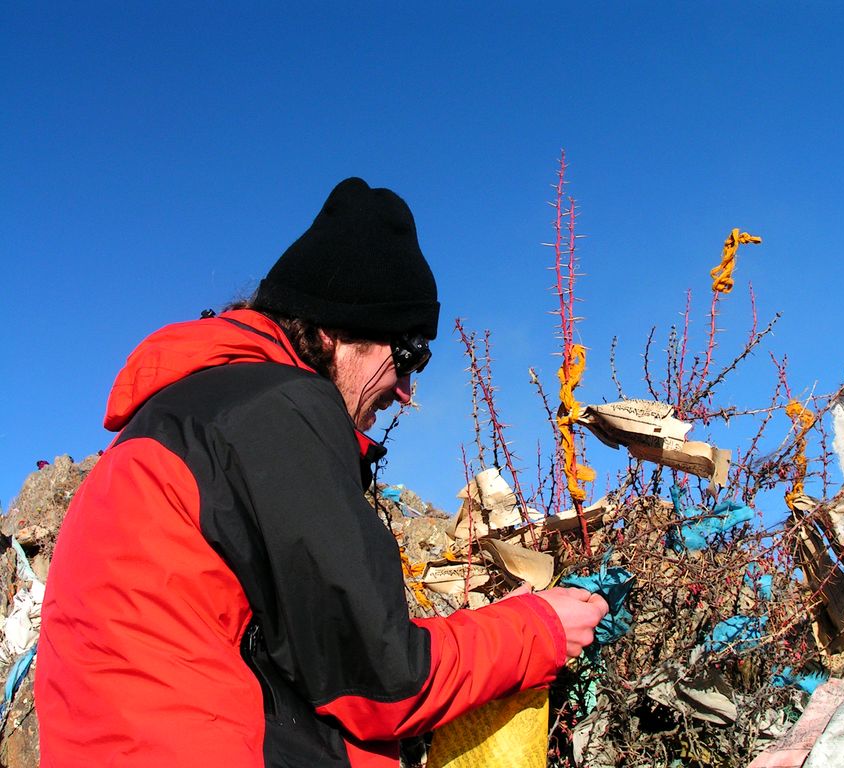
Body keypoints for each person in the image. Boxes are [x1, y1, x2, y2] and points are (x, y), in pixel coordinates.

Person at [36, 178, 609, 767]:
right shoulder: (276, 409)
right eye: (408, 351)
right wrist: (540, 628)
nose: (409, 391)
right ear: (333, 330)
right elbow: (383, 680)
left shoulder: (188, 419)